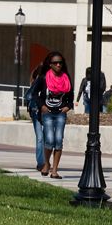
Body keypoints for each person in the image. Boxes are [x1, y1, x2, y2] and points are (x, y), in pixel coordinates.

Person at [36, 51, 73, 179]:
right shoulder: (43, 78)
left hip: (60, 114)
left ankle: (55, 171)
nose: (58, 65)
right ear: (50, 64)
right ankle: (46, 164)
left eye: (60, 63)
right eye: (55, 63)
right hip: (47, 113)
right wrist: (42, 106)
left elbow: (70, 97)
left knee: (58, 141)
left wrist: (67, 107)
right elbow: (35, 94)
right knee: (49, 140)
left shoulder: (66, 78)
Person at [24, 63, 46, 170]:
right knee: (40, 138)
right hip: (36, 111)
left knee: (45, 138)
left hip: (47, 112)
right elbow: (28, 96)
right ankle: (41, 163)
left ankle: (44, 162)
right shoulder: (37, 81)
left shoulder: (50, 80)